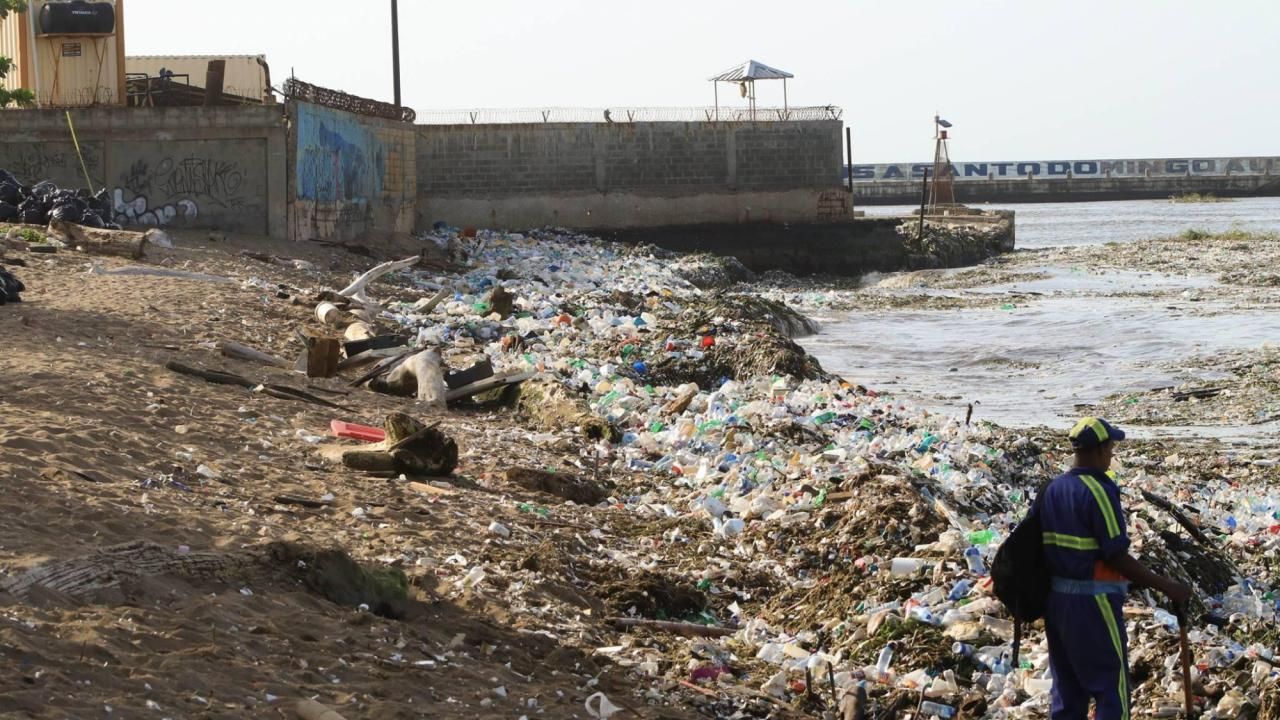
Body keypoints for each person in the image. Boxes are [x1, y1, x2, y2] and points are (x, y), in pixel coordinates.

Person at [1040, 416, 1192, 720]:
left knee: (1067, 692)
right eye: (1110, 448)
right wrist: (1168, 586)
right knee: (1111, 687)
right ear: (1098, 450)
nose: (1111, 455)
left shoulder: (1052, 489)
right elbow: (1116, 556)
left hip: (1056, 604)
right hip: (1093, 605)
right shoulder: (1098, 490)